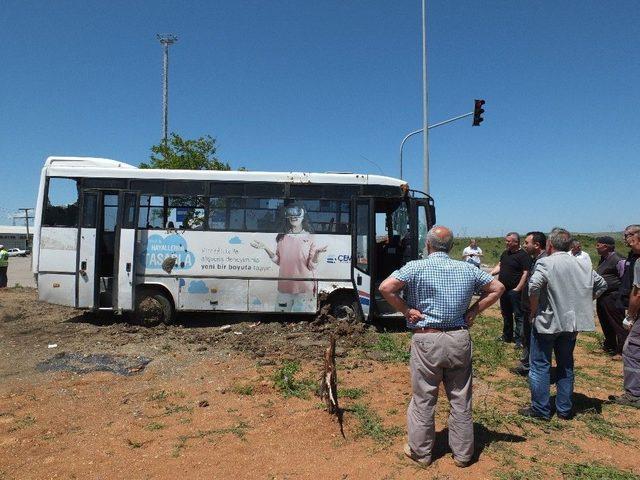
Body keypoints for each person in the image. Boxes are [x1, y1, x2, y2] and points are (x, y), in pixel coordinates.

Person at [379, 226, 504, 467]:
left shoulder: (415, 267)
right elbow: (498, 288)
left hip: (427, 339)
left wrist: (406, 310)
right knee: (460, 397)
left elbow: (386, 287)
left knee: (424, 398)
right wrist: (475, 310)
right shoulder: (467, 268)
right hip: (459, 338)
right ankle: (463, 455)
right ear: (452, 246)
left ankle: (421, 452)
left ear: (428, 245)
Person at [519, 228, 607, 420]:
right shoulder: (582, 264)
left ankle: (540, 410)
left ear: (550, 244)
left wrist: (534, 310)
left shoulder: (545, 262)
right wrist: (583, 301)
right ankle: (564, 410)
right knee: (566, 364)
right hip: (571, 324)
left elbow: (533, 286)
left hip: (547, 322)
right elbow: (601, 284)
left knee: (540, 365)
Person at [251, 203, 327, 312]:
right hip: (284, 287)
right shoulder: (282, 237)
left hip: (303, 289)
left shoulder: (310, 237)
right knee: (281, 320)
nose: (293, 218)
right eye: (291, 216)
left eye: (296, 215)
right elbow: (279, 261)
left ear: (303, 217)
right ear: (288, 218)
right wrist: (265, 248)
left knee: (300, 321)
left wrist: (317, 254)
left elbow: (311, 266)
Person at [610, 226, 640, 408]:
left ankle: (634, 394)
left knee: (631, 349)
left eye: (629, 235)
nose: (625, 238)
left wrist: (630, 315)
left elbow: (637, 293)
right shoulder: (632, 257)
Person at [512, 231, 547, 376]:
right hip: (529, 307)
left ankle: (533, 369)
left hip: (536, 308)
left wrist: (533, 309)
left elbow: (536, 287)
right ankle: (527, 363)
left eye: (527, 242)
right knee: (528, 336)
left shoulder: (544, 261)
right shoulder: (534, 258)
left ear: (537, 245)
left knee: (535, 339)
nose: (524, 245)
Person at [490, 232, 532, 347]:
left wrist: (518, 289)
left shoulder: (524, 256)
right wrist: (491, 273)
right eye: (506, 240)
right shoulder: (505, 253)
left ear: (516, 242)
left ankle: (519, 340)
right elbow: (500, 265)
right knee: (506, 314)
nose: (506, 243)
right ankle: (507, 336)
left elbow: (525, 273)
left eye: (508, 241)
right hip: (503, 290)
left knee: (519, 315)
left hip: (516, 291)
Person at [594, 236, 627, 356]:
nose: (596, 247)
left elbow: (625, 278)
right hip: (603, 295)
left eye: (598, 245)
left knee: (617, 323)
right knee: (605, 321)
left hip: (614, 296)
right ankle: (609, 345)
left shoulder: (619, 260)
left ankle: (622, 350)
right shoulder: (603, 259)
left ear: (605, 247)